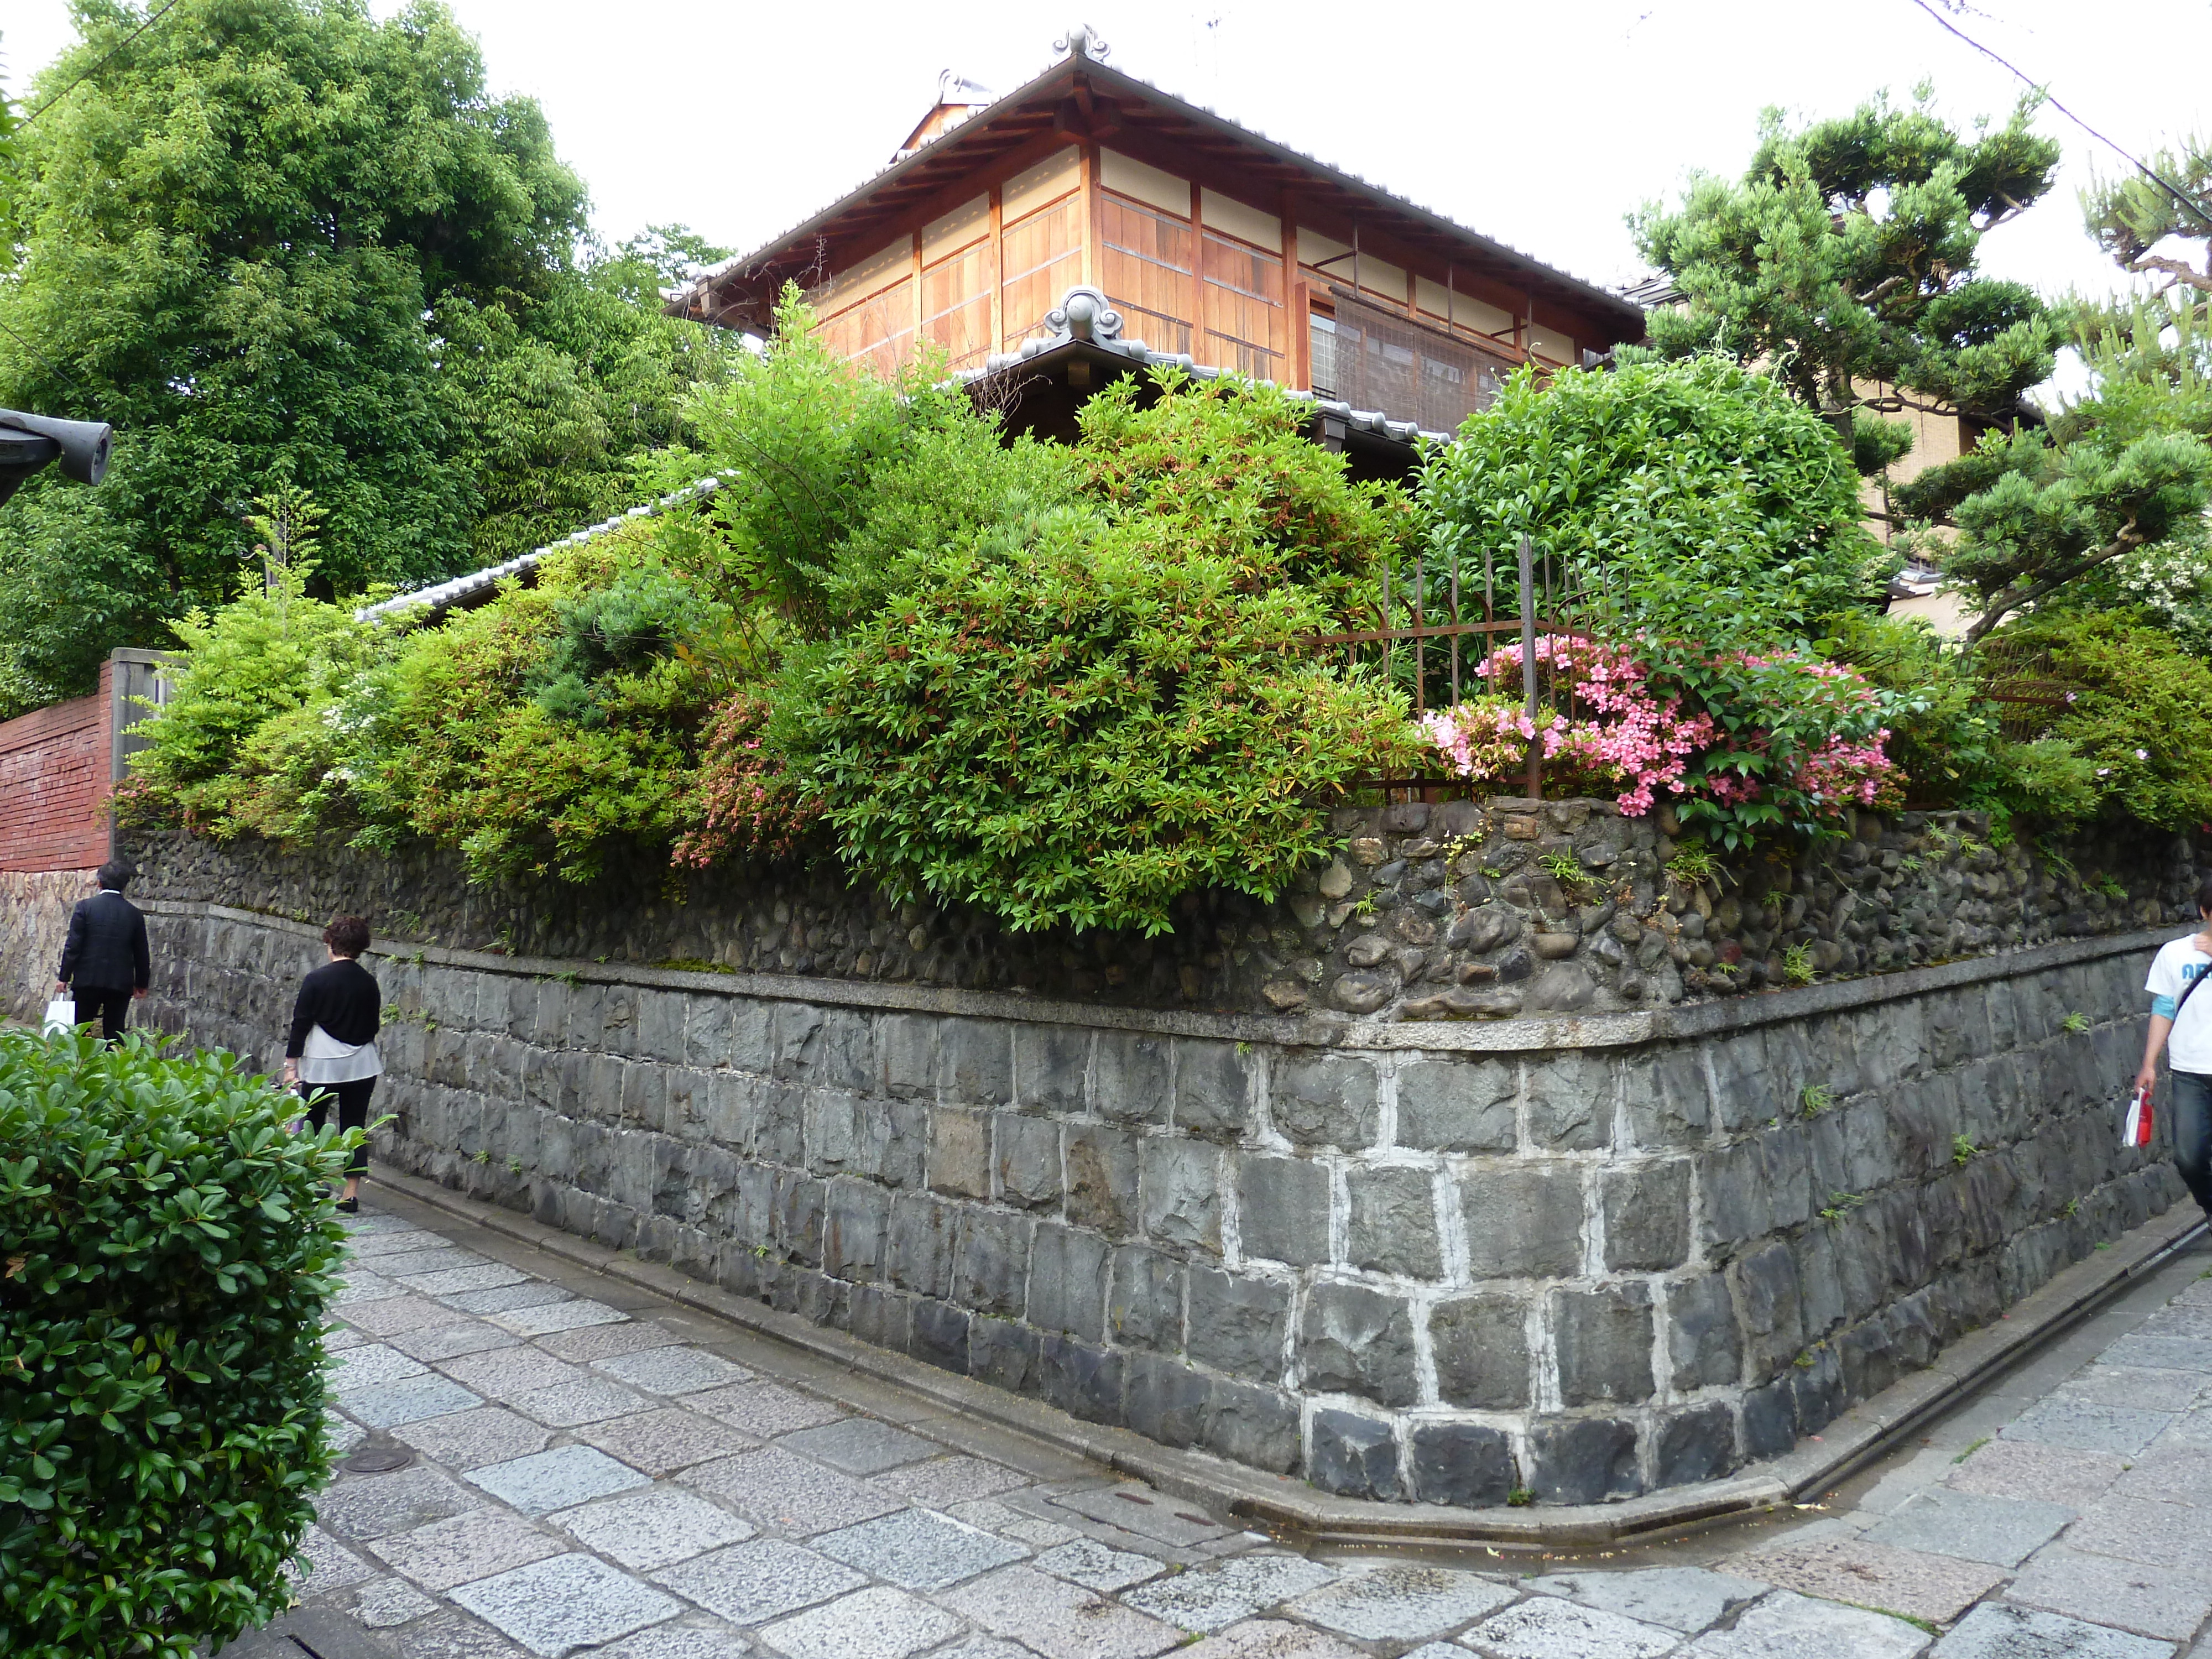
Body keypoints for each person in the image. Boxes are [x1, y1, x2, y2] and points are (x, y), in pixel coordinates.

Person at [284, 915, 383, 1214]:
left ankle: (314, 1183)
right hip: (362, 1064)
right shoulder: (369, 982)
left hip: (322, 1062)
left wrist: (291, 1066)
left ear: (331, 944)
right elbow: (374, 1026)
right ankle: (350, 1193)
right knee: (354, 1125)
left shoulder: (316, 979)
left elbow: (300, 1024)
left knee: (313, 1121)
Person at [2138, 874, 2212, 1220]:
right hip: (2190, 1073)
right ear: (2204, 912)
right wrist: (2149, 1064)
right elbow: (2164, 1009)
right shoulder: (2174, 953)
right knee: (2189, 1158)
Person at [54, 859, 150, 1040]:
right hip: (120, 982)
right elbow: (141, 952)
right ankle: (114, 1065)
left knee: (81, 1028)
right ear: (125, 885)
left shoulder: (85, 907)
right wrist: (142, 983)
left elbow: (73, 946)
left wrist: (64, 977)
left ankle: (81, 1065)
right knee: (115, 1030)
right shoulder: (134, 914)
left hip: (87, 980)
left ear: (99, 882)